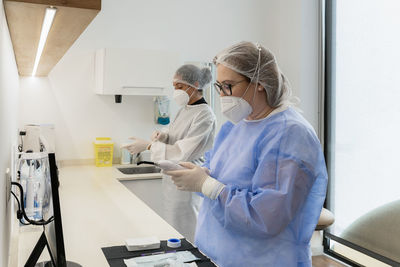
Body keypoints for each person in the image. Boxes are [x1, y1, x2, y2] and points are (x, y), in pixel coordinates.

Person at [164, 42, 328, 266]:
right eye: (219, 86)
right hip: (218, 254)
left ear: (259, 83)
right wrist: (201, 175)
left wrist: (207, 186)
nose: (223, 95)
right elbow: (222, 177)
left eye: (229, 86)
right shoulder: (237, 125)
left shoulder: (290, 134)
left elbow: (267, 218)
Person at [123, 64, 216, 241]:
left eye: (179, 87)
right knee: (172, 229)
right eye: (174, 87)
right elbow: (177, 137)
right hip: (172, 179)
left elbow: (184, 152)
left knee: (186, 231)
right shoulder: (185, 110)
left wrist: (149, 147)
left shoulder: (205, 114)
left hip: (188, 178)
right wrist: (164, 135)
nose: (176, 92)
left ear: (195, 84)